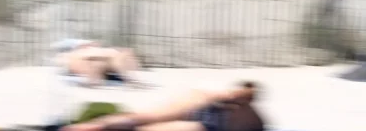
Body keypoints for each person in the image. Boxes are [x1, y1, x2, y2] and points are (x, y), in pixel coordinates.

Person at [64, 81, 265, 131]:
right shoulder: (207, 97)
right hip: (210, 114)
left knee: (143, 121)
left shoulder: (211, 98)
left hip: (211, 120)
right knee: (144, 120)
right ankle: (96, 125)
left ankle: (96, 125)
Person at [58, 40, 144, 87]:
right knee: (115, 57)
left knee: (124, 53)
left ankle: (131, 79)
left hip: (105, 63)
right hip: (104, 62)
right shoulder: (77, 55)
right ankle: (130, 79)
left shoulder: (82, 52)